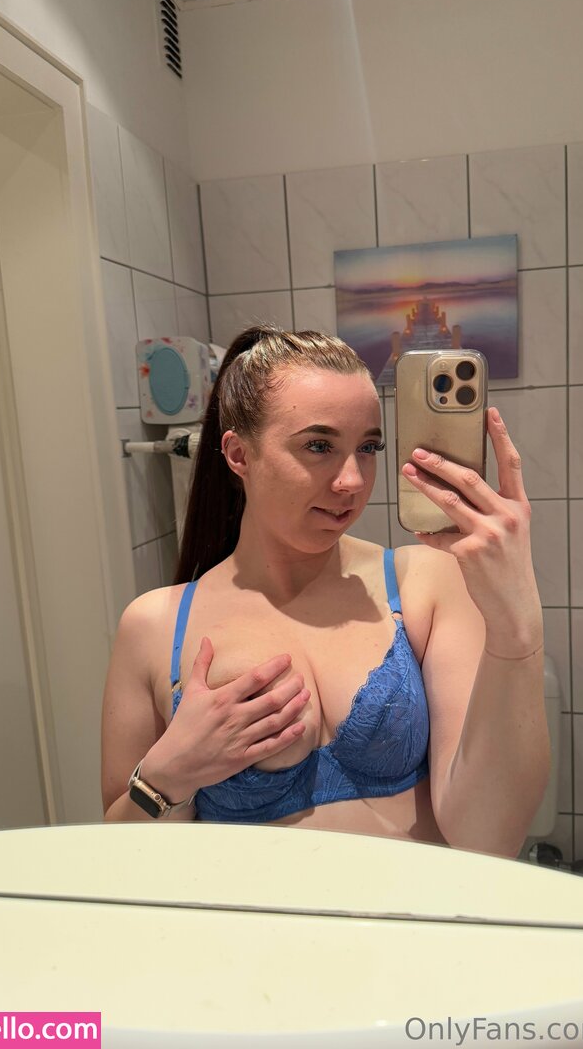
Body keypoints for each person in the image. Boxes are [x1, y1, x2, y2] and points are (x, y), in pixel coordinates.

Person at [101, 326, 550, 857]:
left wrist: (517, 623)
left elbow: (489, 840)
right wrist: (168, 774)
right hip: (245, 912)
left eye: (368, 448)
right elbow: (118, 855)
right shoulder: (154, 625)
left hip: (419, 909)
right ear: (238, 454)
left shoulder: (425, 582)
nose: (352, 481)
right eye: (319, 446)